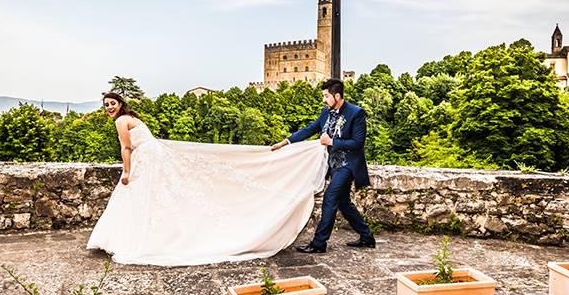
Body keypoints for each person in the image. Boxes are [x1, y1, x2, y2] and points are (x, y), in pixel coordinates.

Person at [86, 92, 328, 266]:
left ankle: (137, 239)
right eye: (106, 104)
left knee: (146, 197)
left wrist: (126, 172)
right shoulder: (131, 118)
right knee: (158, 198)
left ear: (120, 104)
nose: (109, 107)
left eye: (112, 103)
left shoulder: (121, 121)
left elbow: (126, 149)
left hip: (147, 159)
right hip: (152, 155)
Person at [271, 78, 376, 253]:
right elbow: (310, 129)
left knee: (330, 198)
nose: (324, 100)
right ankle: (367, 237)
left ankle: (319, 243)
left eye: (326, 96)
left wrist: (331, 141)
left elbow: (358, 143)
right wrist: (286, 142)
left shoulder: (356, 113)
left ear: (337, 95)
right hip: (332, 166)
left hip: (348, 165)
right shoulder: (325, 112)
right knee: (344, 203)